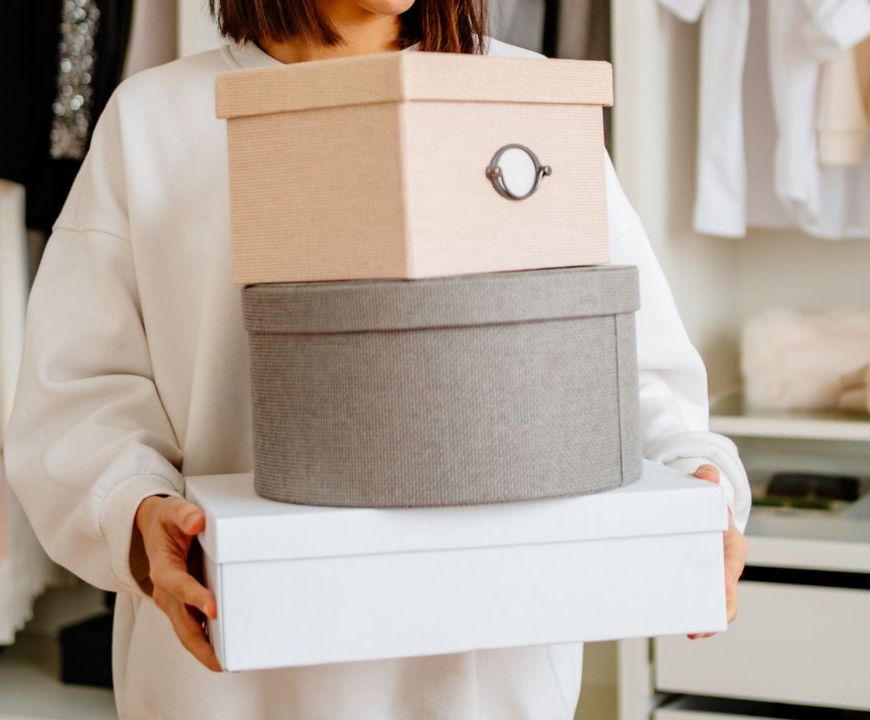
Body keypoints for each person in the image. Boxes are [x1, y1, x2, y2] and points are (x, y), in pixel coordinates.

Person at [3, 1, 751, 717]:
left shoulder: (526, 99)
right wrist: (138, 516)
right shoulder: (154, 119)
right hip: (233, 672)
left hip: (487, 671)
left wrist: (695, 483)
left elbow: (631, 362)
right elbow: (78, 390)